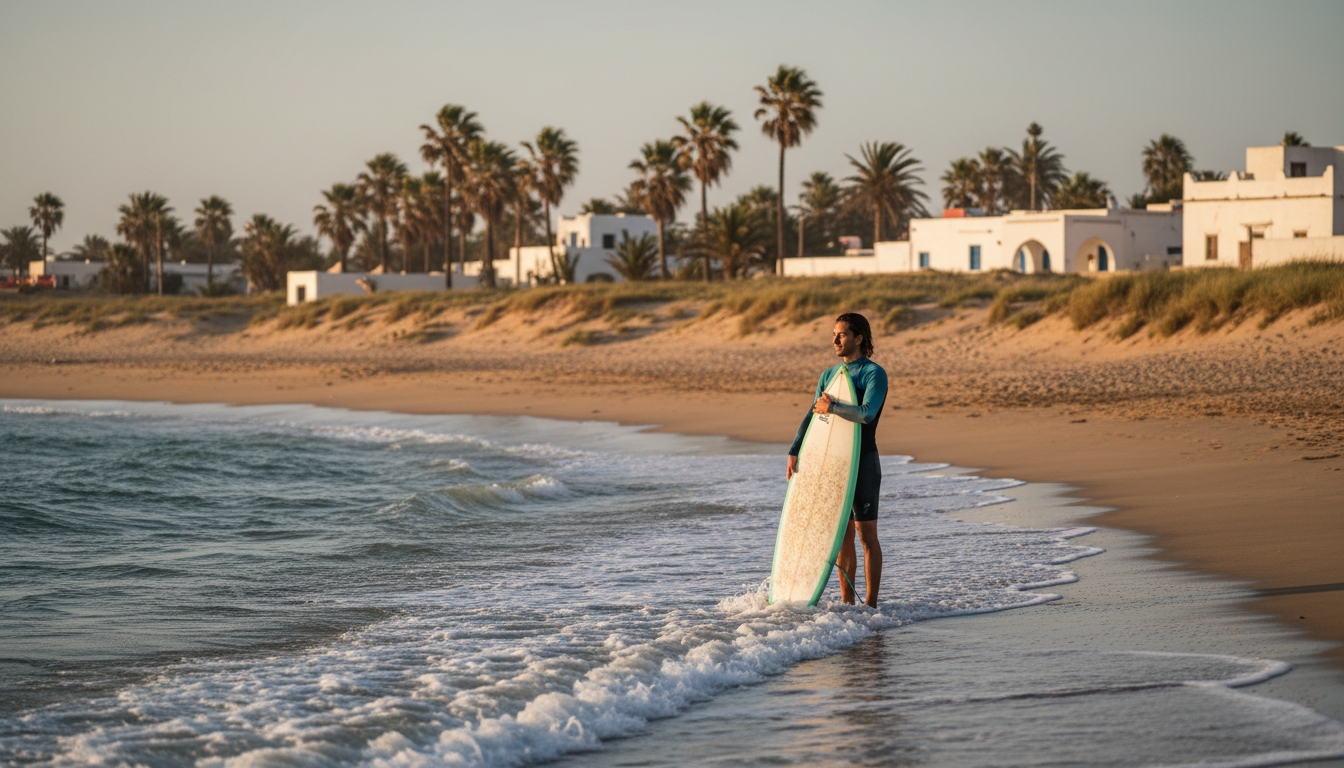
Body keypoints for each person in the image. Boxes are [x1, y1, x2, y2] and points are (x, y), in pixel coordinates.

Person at [786, 312, 888, 607]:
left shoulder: (873, 374)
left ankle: (871, 606)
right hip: (834, 465)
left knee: (866, 535)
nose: (835, 340)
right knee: (842, 536)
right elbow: (812, 413)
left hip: (864, 462)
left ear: (859, 338)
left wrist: (832, 407)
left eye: (841, 335)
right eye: (834, 334)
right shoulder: (829, 375)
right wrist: (795, 450)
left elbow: (867, 413)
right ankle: (847, 605)